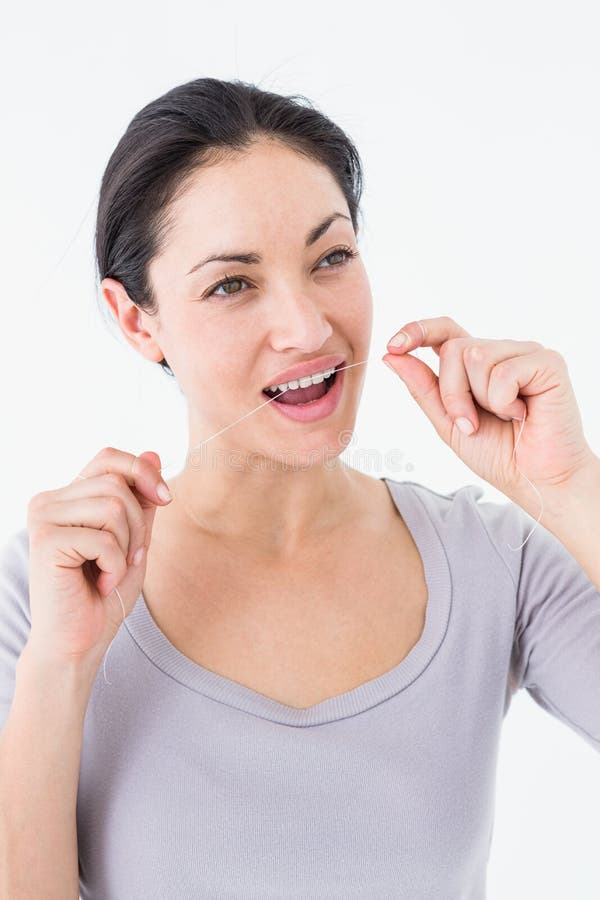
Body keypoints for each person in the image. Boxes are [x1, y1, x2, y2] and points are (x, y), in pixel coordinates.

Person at [1, 77, 599, 900]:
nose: (309, 328)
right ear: (138, 320)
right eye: (232, 284)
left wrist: (572, 489)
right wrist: (62, 668)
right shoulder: (47, 587)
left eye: (332, 258)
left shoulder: (498, 561)